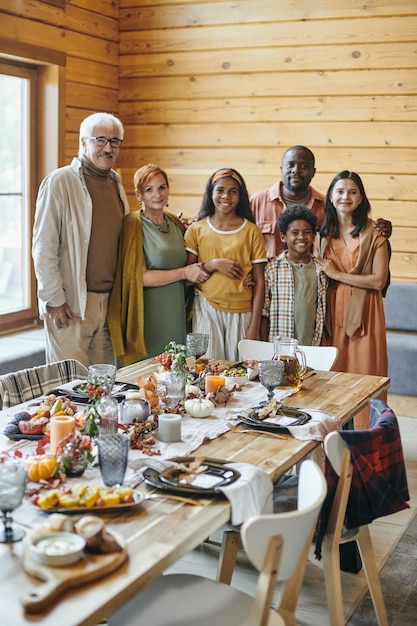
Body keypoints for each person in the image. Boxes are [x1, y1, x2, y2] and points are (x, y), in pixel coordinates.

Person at [32, 112, 129, 367]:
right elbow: (43, 247)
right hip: (71, 305)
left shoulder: (116, 183)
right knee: (71, 389)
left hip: (109, 307)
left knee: (106, 387)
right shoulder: (60, 181)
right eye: (100, 140)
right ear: (84, 142)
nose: (108, 148)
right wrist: (54, 299)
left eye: (115, 141)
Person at [107, 164, 209, 365]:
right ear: (139, 194)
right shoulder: (133, 224)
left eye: (162, 187)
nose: (157, 194)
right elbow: (139, 277)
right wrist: (184, 273)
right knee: (148, 375)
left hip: (175, 309)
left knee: (176, 370)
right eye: (149, 189)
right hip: (148, 312)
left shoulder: (175, 222)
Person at [314, 171, 389, 429]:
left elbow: (378, 281)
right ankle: (333, 449)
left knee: (365, 379)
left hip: (365, 314)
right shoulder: (321, 236)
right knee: (331, 381)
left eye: (353, 192)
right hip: (330, 314)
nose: (346, 196)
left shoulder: (374, 234)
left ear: (360, 198)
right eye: (340, 191)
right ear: (331, 197)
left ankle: (366, 445)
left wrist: (337, 274)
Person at [250, 145, 392, 259]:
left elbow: (354, 232)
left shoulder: (328, 206)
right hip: (264, 286)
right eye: (290, 165)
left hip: (312, 287)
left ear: (313, 172)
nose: (296, 170)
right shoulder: (256, 202)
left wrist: (380, 230)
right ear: (281, 169)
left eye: (304, 166)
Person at [184, 168, 267, 360]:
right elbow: (186, 279)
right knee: (207, 368)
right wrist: (212, 265)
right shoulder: (197, 229)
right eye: (220, 190)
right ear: (211, 193)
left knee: (239, 372)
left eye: (233, 191)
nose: (226, 196)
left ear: (240, 196)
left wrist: (254, 327)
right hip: (206, 308)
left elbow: (260, 281)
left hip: (242, 312)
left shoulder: (251, 231)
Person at [261, 204, 328, 345]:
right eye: (295, 233)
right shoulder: (272, 268)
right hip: (279, 346)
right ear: (283, 237)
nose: (301, 237)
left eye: (307, 232)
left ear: (314, 236)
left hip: (311, 344)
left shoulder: (321, 270)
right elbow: (264, 311)